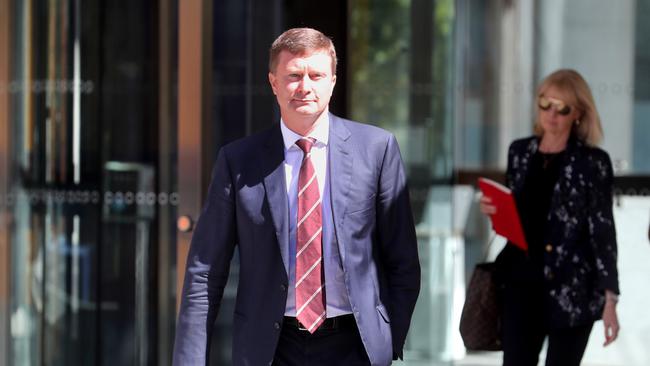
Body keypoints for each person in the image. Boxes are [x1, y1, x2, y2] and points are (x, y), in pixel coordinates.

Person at [172, 27, 421, 366]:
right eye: (293, 75)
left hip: (355, 345)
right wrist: (189, 359)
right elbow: (205, 271)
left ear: (333, 80)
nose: (305, 86)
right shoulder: (238, 161)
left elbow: (402, 260)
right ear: (273, 82)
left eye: (316, 75)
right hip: (270, 348)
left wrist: (387, 340)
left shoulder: (376, 150)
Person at [480, 69, 620, 366]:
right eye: (546, 103)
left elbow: (603, 232)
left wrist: (610, 300)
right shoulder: (519, 152)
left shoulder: (593, 163)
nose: (551, 114)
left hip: (573, 292)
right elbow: (519, 221)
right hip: (520, 286)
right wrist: (496, 211)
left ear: (578, 114)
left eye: (562, 108)